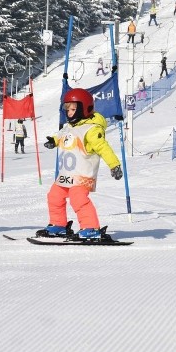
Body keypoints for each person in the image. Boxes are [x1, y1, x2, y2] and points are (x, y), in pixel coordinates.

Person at [40, 89, 123, 240]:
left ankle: (91, 228)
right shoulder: (69, 126)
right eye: (67, 108)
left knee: (77, 199)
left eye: (73, 109)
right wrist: (53, 140)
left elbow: (103, 148)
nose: (69, 112)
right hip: (66, 174)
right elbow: (61, 136)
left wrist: (114, 165)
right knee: (54, 196)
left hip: (82, 174)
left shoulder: (91, 129)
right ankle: (59, 225)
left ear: (84, 108)